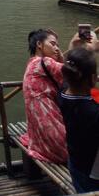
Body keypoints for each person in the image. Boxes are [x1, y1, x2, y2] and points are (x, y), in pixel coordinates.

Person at [20, 28, 68, 164]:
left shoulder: (31, 63)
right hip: (54, 138)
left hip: (39, 135)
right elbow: (75, 75)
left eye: (58, 45)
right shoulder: (45, 62)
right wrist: (75, 47)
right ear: (39, 45)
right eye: (53, 44)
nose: (57, 48)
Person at [59, 48, 99, 193]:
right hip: (93, 173)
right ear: (93, 78)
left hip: (75, 161)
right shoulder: (93, 111)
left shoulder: (63, 94)